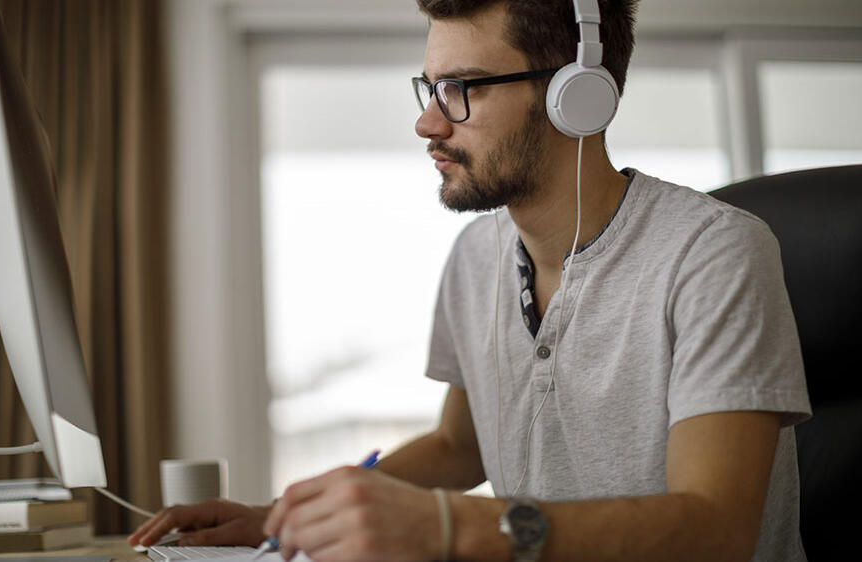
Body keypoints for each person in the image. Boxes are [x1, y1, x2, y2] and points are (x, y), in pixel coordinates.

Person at [129, 1, 812, 560]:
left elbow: (715, 529)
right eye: (431, 89)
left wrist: (448, 528)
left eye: (463, 90)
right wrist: (281, 517)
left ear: (575, 96)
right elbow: (461, 447)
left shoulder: (713, 253)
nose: (428, 122)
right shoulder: (475, 257)